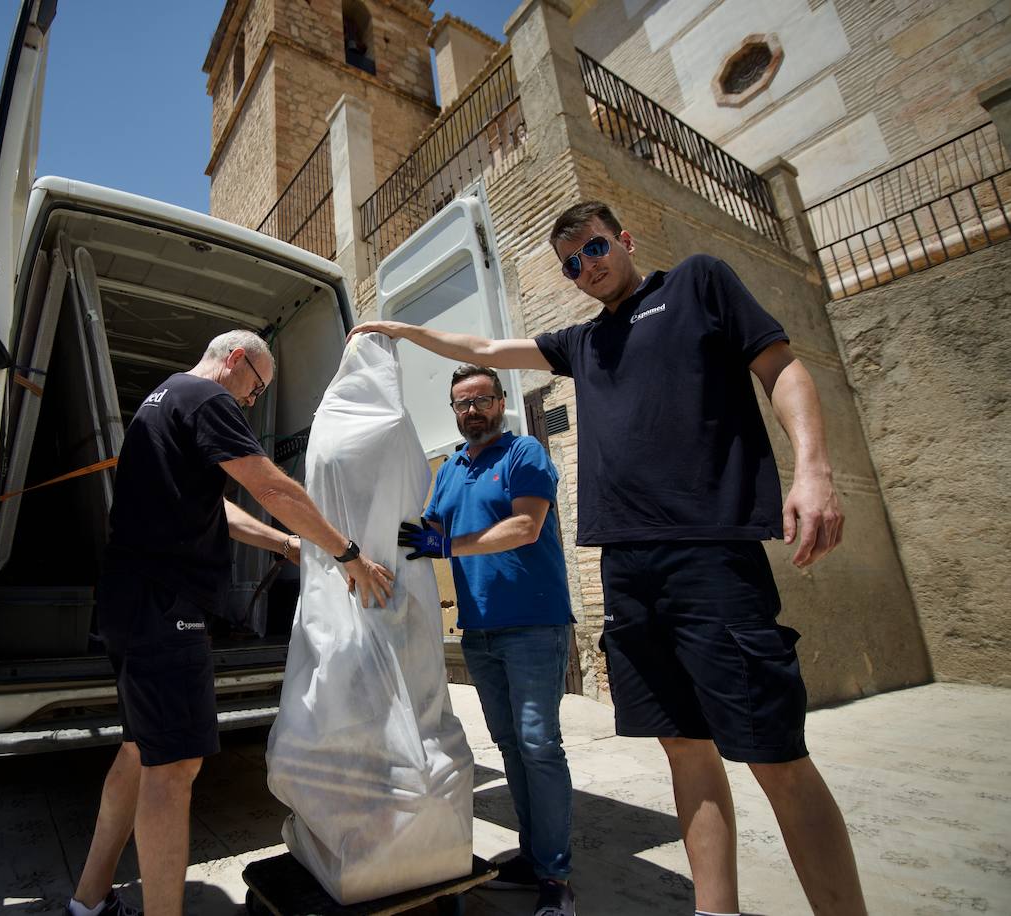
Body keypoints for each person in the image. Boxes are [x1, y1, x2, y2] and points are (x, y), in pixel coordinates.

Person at [351, 200, 865, 916]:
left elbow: (781, 368)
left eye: (594, 249)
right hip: (627, 566)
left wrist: (813, 470)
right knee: (684, 749)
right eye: (571, 263)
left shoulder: (696, 284)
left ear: (623, 239)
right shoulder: (582, 344)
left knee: (774, 753)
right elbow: (488, 349)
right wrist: (403, 331)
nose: (586, 267)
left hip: (708, 554)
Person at [68, 329, 394, 916]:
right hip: (166, 605)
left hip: (128, 601)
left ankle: (87, 903)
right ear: (236, 360)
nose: (251, 400)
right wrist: (347, 553)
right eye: (256, 386)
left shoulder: (162, 400)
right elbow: (268, 483)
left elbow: (212, 504)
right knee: (175, 768)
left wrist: (287, 544)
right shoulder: (209, 398)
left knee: (140, 751)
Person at [397, 364, 577, 916]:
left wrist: (446, 546)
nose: (471, 410)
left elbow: (524, 527)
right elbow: (421, 531)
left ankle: (556, 877)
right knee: (510, 748)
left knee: (539, 745)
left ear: (500, 402)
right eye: (461, 403)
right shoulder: (450, 468)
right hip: (479, 631)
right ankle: (532, 856)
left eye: (481, 399)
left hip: (532, 625)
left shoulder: (524, 454)